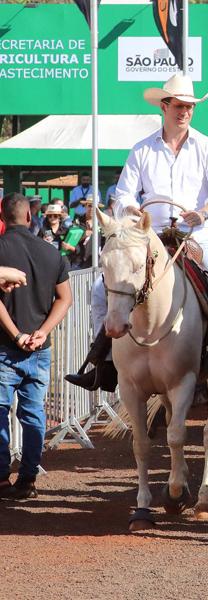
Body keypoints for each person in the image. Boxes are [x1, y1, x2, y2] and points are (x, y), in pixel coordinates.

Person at [71, 74, 208, 400]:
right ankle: (105, 361)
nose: (184, 112)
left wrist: (204, 213)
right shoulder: (142, 149)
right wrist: (135, 212)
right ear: (164, 107)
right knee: (100, 291)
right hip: (150, 237)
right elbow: (123, 195)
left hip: (197, 235)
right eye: (178, 106)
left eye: (189, 107)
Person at [0, 193, 73, 501]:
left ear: (3, 218)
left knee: (0, 412)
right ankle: (28, 477)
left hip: (5, 346)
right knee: (33, 415)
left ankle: (2, 478)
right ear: (30, 216)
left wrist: (16, 335)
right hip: (40, 348)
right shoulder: (51, 253)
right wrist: (42, 332)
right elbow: (65, 298)